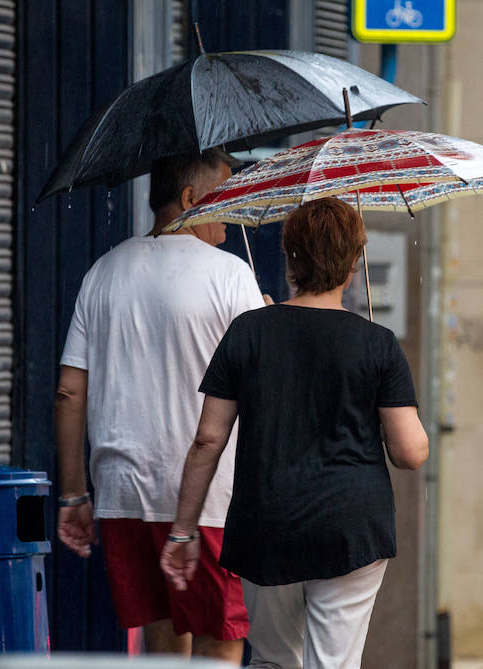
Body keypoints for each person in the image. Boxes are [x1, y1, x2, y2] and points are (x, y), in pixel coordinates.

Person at [160, 196, 429, 669]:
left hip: (267, 522)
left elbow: (207, 440)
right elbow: (409, 452)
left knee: (272, 659)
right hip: (350, 527)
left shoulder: (249, 331)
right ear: (352, 263)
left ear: (290, 258)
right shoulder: (377, 344)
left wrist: (184, 531)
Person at [54, 148, 267, 664]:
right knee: (221, 637)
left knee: (161, 639)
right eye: (224, 194)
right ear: (190, 198)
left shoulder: (102, 272)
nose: (232, 208)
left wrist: (73, 495)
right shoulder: (230, 275)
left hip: (123, 493)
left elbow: (68, 392)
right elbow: (267, 375)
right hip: (210, 500)